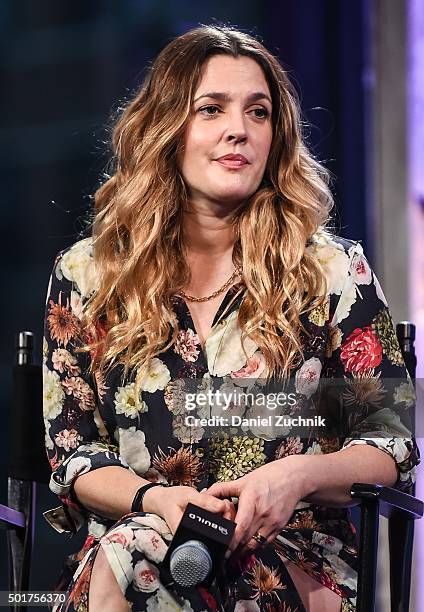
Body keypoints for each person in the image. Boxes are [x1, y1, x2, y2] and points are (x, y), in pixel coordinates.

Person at [42, 24, 420, 612]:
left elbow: (388, 446)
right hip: (143, 542)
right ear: (168, 127)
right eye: (211, 109)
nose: (237, 130)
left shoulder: (328, 271)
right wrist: (156, 502)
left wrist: (292, 477)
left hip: (291, 555)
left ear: (277, 136)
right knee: (137, 558)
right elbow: (74, 455)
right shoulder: (91, 276)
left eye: (259, 112)